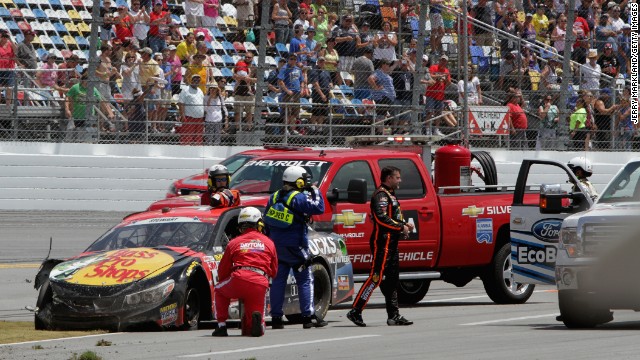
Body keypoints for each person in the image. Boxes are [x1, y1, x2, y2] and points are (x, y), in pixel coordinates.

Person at [347, 166, 414, 327]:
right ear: (388, 178)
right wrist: (401, 227)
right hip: (382, 242)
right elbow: (381, 218)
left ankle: (394, 315)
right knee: (376, 277)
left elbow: (393, 217)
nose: (400, 180)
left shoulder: (390, 194)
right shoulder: (381, 195)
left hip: (392, 242)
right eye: (397, 177)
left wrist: (404, 225)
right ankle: (356, 310)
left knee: (392, 280)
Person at [264, 166, 327, 330]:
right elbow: (319, 207)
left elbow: (266, 222)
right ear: (298, 181)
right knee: (305, 279)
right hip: (296, 247)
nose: (306, 183)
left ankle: (276, 318)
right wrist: (315, 190)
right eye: (304, 180)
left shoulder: (273, 197)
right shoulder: (298, 198)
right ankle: (308, 317)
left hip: (276, 246)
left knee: (278, 282)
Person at [212, 207, 278, 337]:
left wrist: (225, 280)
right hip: (260, 282)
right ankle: (258, 324)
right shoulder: (269, 243)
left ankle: (221, 326)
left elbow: (223, 269)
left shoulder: (234, 242)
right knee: (252, 322)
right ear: (259, 224)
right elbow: (274, 270)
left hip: (239, 278)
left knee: (219, 290)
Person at [177, 74, 206, 145]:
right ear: (191, 80)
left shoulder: (200, 90)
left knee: (198, 139)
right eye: (195, 79)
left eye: (198, 80)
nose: (197, 81)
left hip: (200, 119)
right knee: (187, 138)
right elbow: (181, 103)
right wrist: (182, 115)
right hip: (189, 118)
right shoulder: (185, 89)